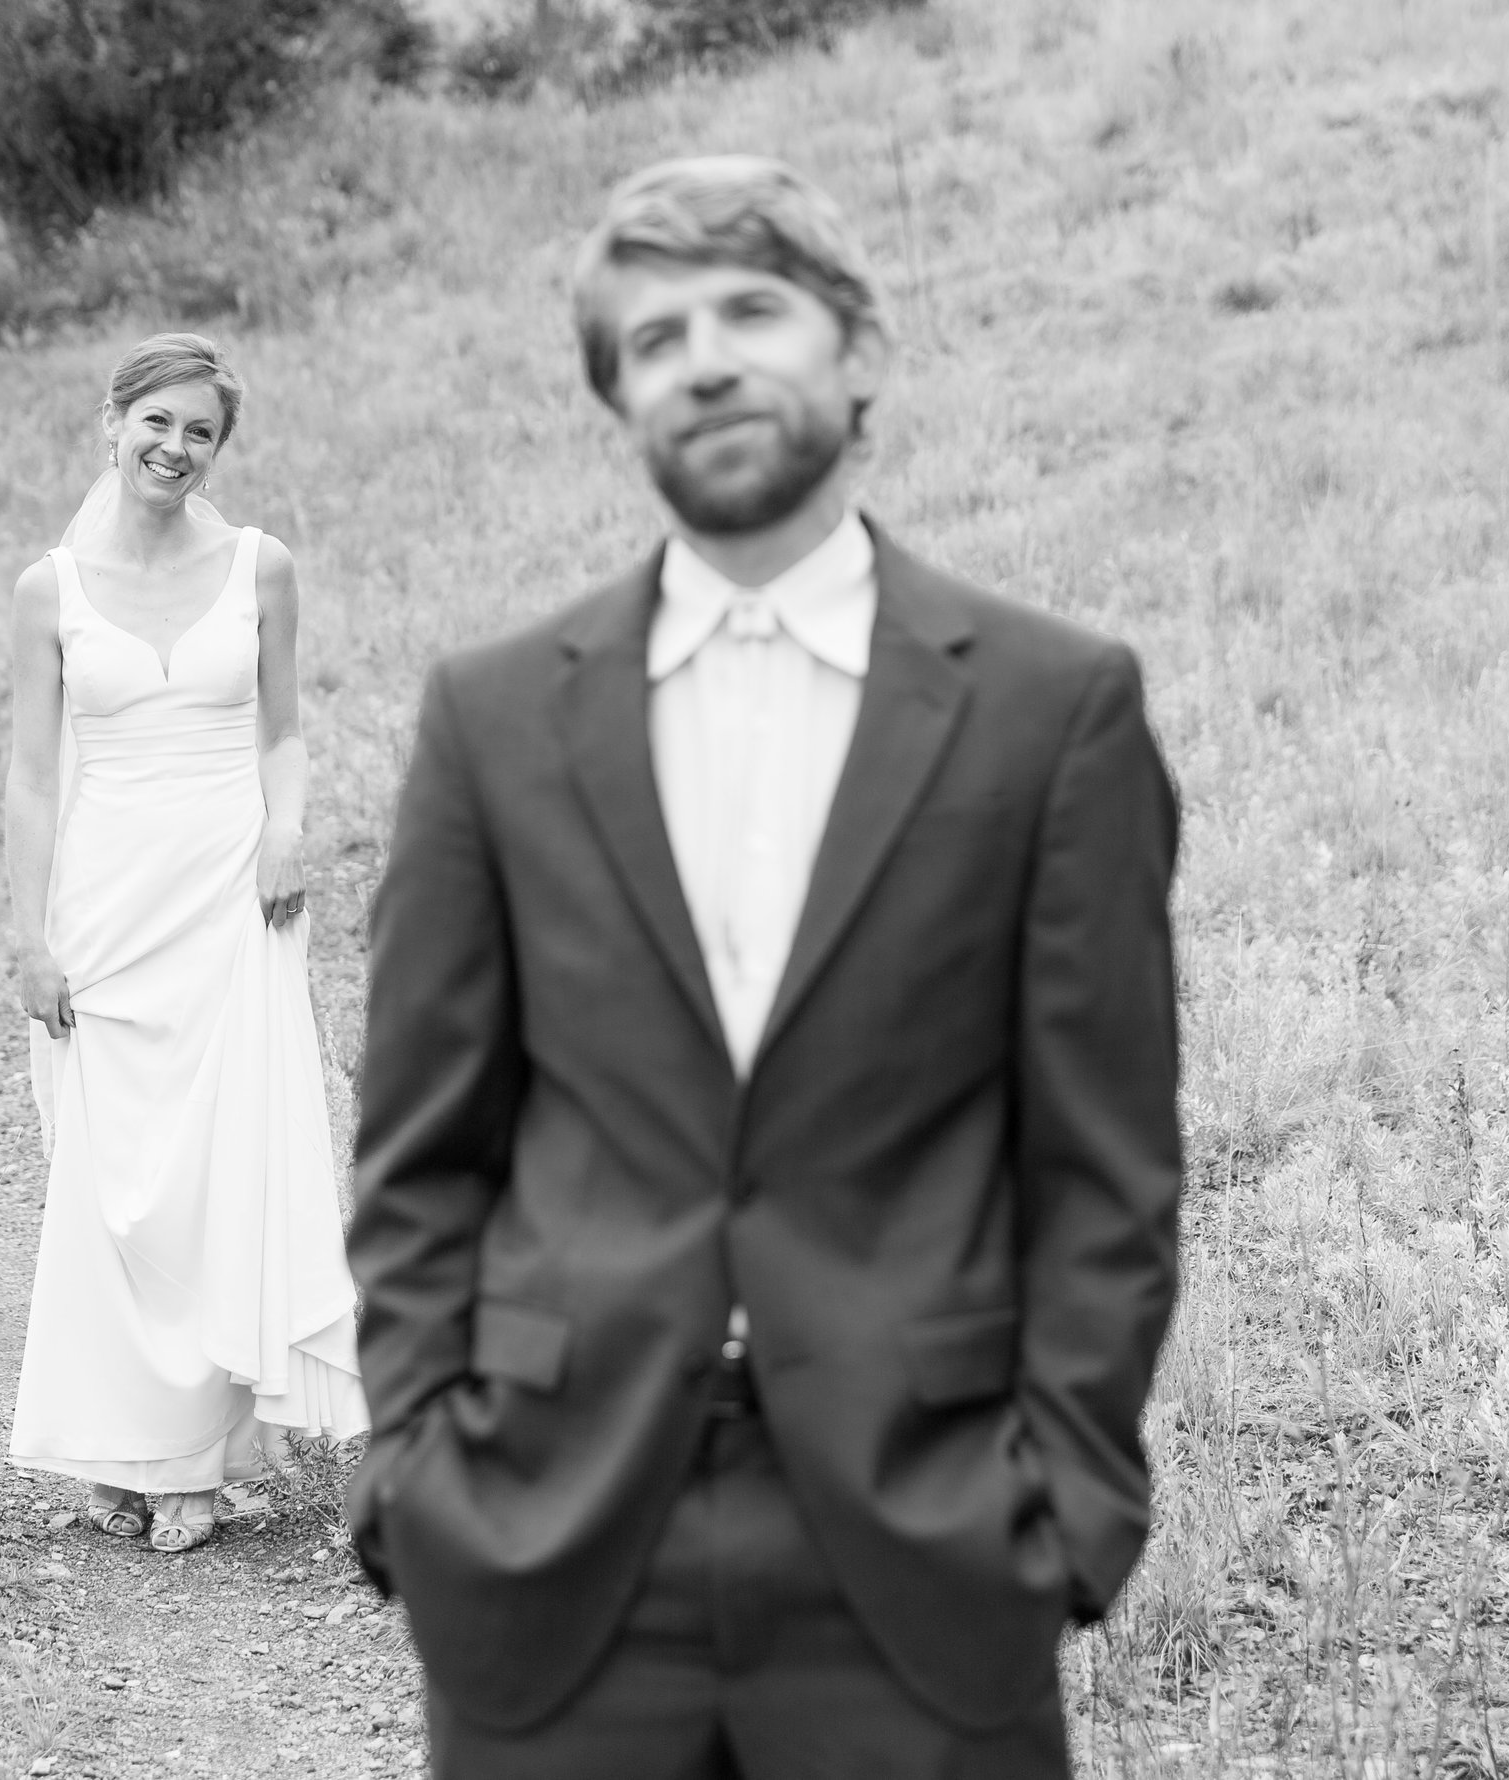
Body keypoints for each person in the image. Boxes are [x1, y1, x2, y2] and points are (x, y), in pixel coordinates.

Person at [346, 156, 1182, 1775]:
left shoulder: (1049, 709)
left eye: (750, 309)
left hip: (922, 1552)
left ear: (858, 355)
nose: (705, 358)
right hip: (550, 1540)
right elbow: (418, 1155)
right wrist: (414, 1481)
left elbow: (1107, 1167)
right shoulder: (496, 718)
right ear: (619, 400)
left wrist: (1067, 1507)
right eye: (653, 338)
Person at [3, 333, 368, 1553]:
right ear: (112, 423)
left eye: (197, 432)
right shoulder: (47, 589)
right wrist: (30, 934)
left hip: (228, 893)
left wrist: (288, 834)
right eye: (154, 421)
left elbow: (282, 733)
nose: (173, 447)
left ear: (218, 450)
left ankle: (198, 1465)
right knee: (114, 1185)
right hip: (106, 902)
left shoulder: (260, 568)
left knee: (220, 1172)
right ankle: (120, 1444)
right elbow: (32, 777)